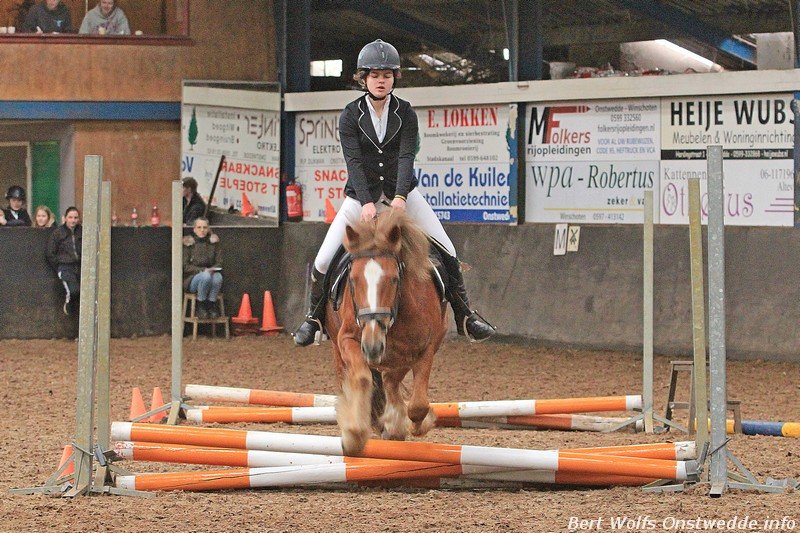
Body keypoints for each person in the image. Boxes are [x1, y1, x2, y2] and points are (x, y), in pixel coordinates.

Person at [293, 39, 496, 347]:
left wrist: (400, 197)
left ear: (394, 79)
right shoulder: (350, 115)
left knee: (448, 250)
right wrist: (365, 201)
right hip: (360, 198)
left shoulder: (406, 113)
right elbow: (354, 161)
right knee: (323, 260)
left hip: (403, 195)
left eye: (386, 75)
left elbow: (405, 157)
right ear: (363, 79)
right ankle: (314, 319)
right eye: (375, 75)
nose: (381, 81)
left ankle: (465, 315)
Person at [183, 217, 223, 319]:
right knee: (205, 276)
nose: (202, 230)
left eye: (205, 227)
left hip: (210, 273)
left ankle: (212, 304)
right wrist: (202, 270)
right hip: (193, 278)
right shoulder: (189, 243)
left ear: (208, 229)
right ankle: (201, 305)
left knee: (218, 277)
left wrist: (212, 269)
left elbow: (219, 262)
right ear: (194, 229)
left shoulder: (213, 243)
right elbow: (185, 266)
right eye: (199, 227)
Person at [46, 207, 81, 315]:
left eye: (75, 218)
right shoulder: (58, 233)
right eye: (70, 217)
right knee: (74, 290)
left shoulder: (82, 231)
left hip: (80, 266)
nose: (73, 220)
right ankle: (69, 303)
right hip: (65, 266)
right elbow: (50, 252)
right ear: (65, 218)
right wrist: (59, 266)